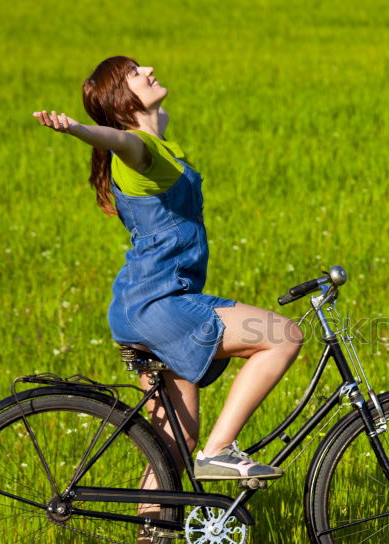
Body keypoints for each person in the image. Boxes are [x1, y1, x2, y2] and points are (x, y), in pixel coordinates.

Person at [33, 56, 302, 482]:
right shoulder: (138, 151)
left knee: (172, 451)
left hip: (146, 305)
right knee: (283, 335)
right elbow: (119, 141)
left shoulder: (160, 144)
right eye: (135, 74)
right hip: (160, 306)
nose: (150, 71)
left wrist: (144, 114)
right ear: (124, 101)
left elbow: (142, 125)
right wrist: (81, 130)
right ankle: (220, 452)